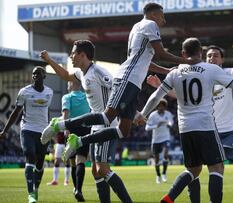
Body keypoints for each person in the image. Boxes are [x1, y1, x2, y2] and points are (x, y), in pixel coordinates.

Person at [41, 3, 199, 166]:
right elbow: (160, 53)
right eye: (162, 16)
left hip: (133, 80)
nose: (164, 21)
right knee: (107, 116)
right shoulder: (150, 24)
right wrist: (186, 62)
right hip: (128, 77)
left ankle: (80, 141)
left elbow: (144, 62)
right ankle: (58, 125)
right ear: (153, 14)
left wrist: (166, 71)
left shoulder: (137, 28)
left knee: (123, 130)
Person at [135, 37, 233, 203]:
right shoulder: (210, 70)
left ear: (183, 53)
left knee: (192, 170)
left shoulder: (176, 72)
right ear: (202, 53)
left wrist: (143, 114)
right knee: (216, 168)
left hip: (185, 129)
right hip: (206, 126)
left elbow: (156, 96)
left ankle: (170, 197)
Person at [40, 41, 131, 203]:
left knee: (102, 169)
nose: (71, 56)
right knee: (96, 171)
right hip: (95, 125)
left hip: (107, 124)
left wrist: (134, 112)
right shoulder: (82, 73)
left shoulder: (98, 71)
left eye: (73, 53)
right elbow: (65, 75)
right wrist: (49, 60)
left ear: (82, 55)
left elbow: (119, 89)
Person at [0, 66, 53, 203]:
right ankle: (31, 194)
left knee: (40, 162)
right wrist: (5, 130)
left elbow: (47, 111)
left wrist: (49, 129)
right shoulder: (24, 92)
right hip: (27, 128)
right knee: (30, 155)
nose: (35, 76)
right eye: (33, 74)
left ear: (44, 76)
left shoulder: (49, 92)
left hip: (43, 131)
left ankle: (35, 190)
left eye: (38, 73)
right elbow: (16, 112)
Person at [145, 98, 174, 184]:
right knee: (156, 159)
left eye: (163, 106)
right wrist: (156, 126)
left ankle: (164, 174)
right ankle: (158, 176)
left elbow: (171, 122)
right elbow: (147, 128)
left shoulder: (168, 114)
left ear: (165, 107)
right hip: (156, 139)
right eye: (159, 106)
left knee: (165, 154)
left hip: (166, 138)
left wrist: (168, 124)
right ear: (157, 107)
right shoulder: (153, 115)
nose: (161, 107)